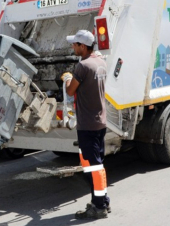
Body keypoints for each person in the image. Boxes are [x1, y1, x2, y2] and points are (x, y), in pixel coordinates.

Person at [61, 30, 111, 220]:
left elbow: (71, 90)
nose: (73, 46)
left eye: (75, 44)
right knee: (96, 164)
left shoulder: (83, 66)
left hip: (87, 125)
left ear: (83, 46)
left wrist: (67, 78)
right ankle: (103, 201)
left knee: (93, 166)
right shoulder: (101, 63)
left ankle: (99, 207)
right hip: (100, 122)